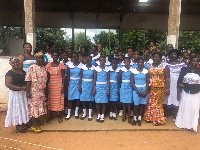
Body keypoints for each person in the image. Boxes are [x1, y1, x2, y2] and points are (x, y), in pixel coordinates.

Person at [144, 52, 170, 126]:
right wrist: (147, 85)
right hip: (151, 87)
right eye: (154, 57)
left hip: (161, 87)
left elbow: (167, 78)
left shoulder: (164, 66)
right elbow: (147, 77)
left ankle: (158, 120)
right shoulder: (149, 66)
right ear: (152, 58)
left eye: (157, 57)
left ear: (160, 58)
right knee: (151, 102)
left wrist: (168, 89)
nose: (156, 58)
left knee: (158, 103)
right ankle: (150, 118)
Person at [175, 57, 200, 132]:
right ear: (190, 62)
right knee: (185, 108)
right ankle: (184, 124)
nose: (195, 62)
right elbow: (179, 82)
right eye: (193, 61)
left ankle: (192, 125)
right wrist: (178, 93)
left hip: (196, 93)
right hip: (186, 92)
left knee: (194, 109)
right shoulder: (184, 70)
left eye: (197, 61)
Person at [25, 52, 48, 132]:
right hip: (34, 91)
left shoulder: (43, 68)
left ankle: (37, 121)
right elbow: (28, 79)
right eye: (38, 58)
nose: (40, 59)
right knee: (34, 107)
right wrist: (28, 91)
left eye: (42, 58)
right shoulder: (32, 67)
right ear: (36, 59)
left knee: (39, 106)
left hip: (41, 91)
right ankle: (34, 125)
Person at [5, 58, 29, 133]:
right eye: (13, 63)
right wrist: (21, 88)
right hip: (16, 94)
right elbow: (8, 84)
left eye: (17, 62)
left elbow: (26, 79)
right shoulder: (10, 73)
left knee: (23, 108)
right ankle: (18, 125)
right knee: (17, 108)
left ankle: (23, 122)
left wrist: (26, 88)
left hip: (23, 93)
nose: (15, 64)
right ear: (10, 64)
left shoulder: (22, 71)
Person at [165, 49, 187, 121]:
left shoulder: (181, 64)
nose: (173, 55)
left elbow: (183, 74)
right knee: (168, 98)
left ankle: (175, 116)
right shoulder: (166, 63)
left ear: (177, 55)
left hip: (177, 83)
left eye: (174, 54)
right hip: (169, 83)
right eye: (171, 54)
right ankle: (166, 114)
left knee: (177, 98)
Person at [45, 50, 65, 123]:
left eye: (56, 56)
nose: (55, 57)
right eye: (54, 55)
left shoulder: (61, 65)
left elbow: (63, 76)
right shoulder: (48, 65)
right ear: (52, 56)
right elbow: (47, 77)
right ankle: (51, 116)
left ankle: (60, 116)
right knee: (51, 100)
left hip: (59, 85)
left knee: (60, 100)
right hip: (51, 85)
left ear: (58, 57)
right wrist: (47, 86)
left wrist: (63, 86)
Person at [130, 57, 149, 126]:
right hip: (136, 89)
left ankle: (139, 119)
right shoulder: (133, 71)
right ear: (137, 63)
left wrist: (146, 91)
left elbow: (148, 82)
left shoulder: (146, 71)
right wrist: (137, 91)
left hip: (144, 89)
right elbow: (132, 82)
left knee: (142, 105)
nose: (141, 64)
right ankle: (135, 119)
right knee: (136, 105)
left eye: (142, 62)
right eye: (139, 62)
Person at [93, 56, 110, 123]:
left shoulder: (107, 69)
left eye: (103, 60)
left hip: (105, 86)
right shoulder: (96, 69)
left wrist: (108, 89)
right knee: (97, 101)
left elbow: (108, 79)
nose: (102, 62)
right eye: (101, 60)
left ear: (105, 61)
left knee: (104, 101)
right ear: (99, 61)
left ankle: (102, 115)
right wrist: (94, 88)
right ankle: (98, 114)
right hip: (98, 86)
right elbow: (94, 79)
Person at [66, 52, 82, 120]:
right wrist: (67, 85)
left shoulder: (81, 65)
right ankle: (69, 114)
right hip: (71, 83)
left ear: (78, 57)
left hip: (78, 82)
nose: (74, 58)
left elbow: (81, 77)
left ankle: (76, 112)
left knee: (77, 99)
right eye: (73, 57)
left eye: (76, 57)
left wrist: (80, 86)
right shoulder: (69, 65)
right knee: (70, 99)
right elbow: (68, 76)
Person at [79, 56, 95, 121]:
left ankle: (90, 115)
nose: (88, 60)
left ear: (91, 60)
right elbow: (80, 77)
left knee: (90, 100)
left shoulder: (94, 68)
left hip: (90, 84)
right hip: (84, 84)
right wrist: (80, 86)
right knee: (84, 100)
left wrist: (93, 87)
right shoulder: (83, 67)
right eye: (87, 59)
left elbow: (94, 78)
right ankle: (84, 114)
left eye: (89, 59)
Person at [118, 57, 133, 124]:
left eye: (128, 61)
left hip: (130, 86)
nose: (127, 63)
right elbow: (119, 79)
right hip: (123, 86)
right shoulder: (121, 69)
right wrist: (120, 87)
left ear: (130, 62)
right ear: (123, 62)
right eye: (125, 61)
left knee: (129, 102)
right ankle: (124, 115)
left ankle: (129, 116)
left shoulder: (132, 70)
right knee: (124, 102)